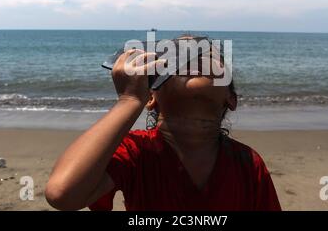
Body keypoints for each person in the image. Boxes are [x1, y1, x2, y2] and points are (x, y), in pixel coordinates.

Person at [45, 35, 281, 211]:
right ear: (151, 97)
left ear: (231, 99)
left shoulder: (248, 162)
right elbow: (63, 194)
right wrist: (128, 100)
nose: (194, 57)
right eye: (178, 57)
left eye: (208, 56)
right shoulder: (135, 153)